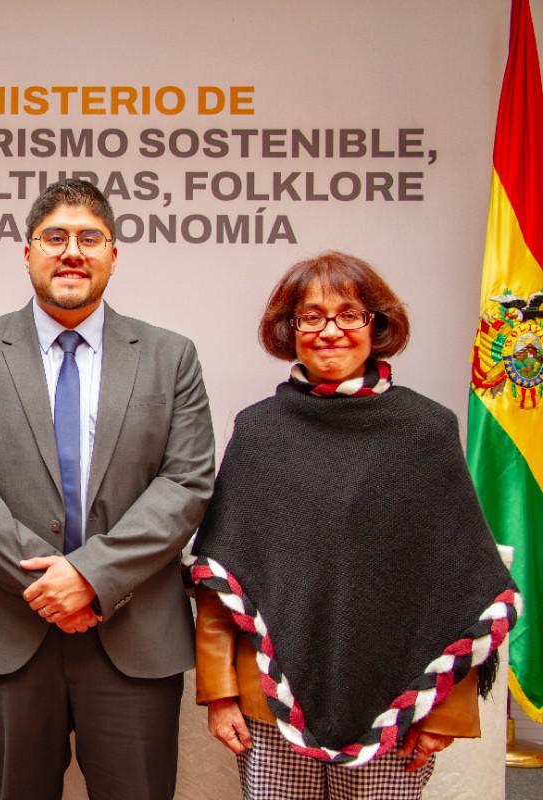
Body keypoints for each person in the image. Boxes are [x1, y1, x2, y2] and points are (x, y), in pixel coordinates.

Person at [0, 179, 215, 800]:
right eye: (54, 237)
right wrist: (46, 583)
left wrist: (90, 578)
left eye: (90, 238)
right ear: (27, 252)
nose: (72, 252)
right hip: (6, 629)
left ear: (114, 253)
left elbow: (186, 482)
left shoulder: (171, 356)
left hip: (132, 630)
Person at [188, 251, 519, 799]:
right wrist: (221, 694)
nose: (330, 331)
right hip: (274, 705)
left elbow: (459, 582)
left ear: (377, 324)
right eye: (311, 316)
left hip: (396, 697)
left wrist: (445, 711)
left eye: (348, 314)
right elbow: (221, 577)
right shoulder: (259, 431)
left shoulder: (426, 431)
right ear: (288, 329)